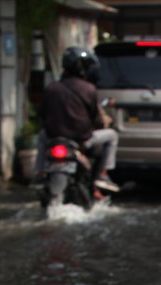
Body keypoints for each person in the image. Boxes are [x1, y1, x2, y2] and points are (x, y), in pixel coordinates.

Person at [38, 46, 120, 194]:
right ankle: (103, 174)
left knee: (41, 136)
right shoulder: (88, 89)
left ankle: (39, 172)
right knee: (112, 135)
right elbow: (97, 120)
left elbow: (42, 114)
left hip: (53, 138)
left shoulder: (51, 88)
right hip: (82, 140)